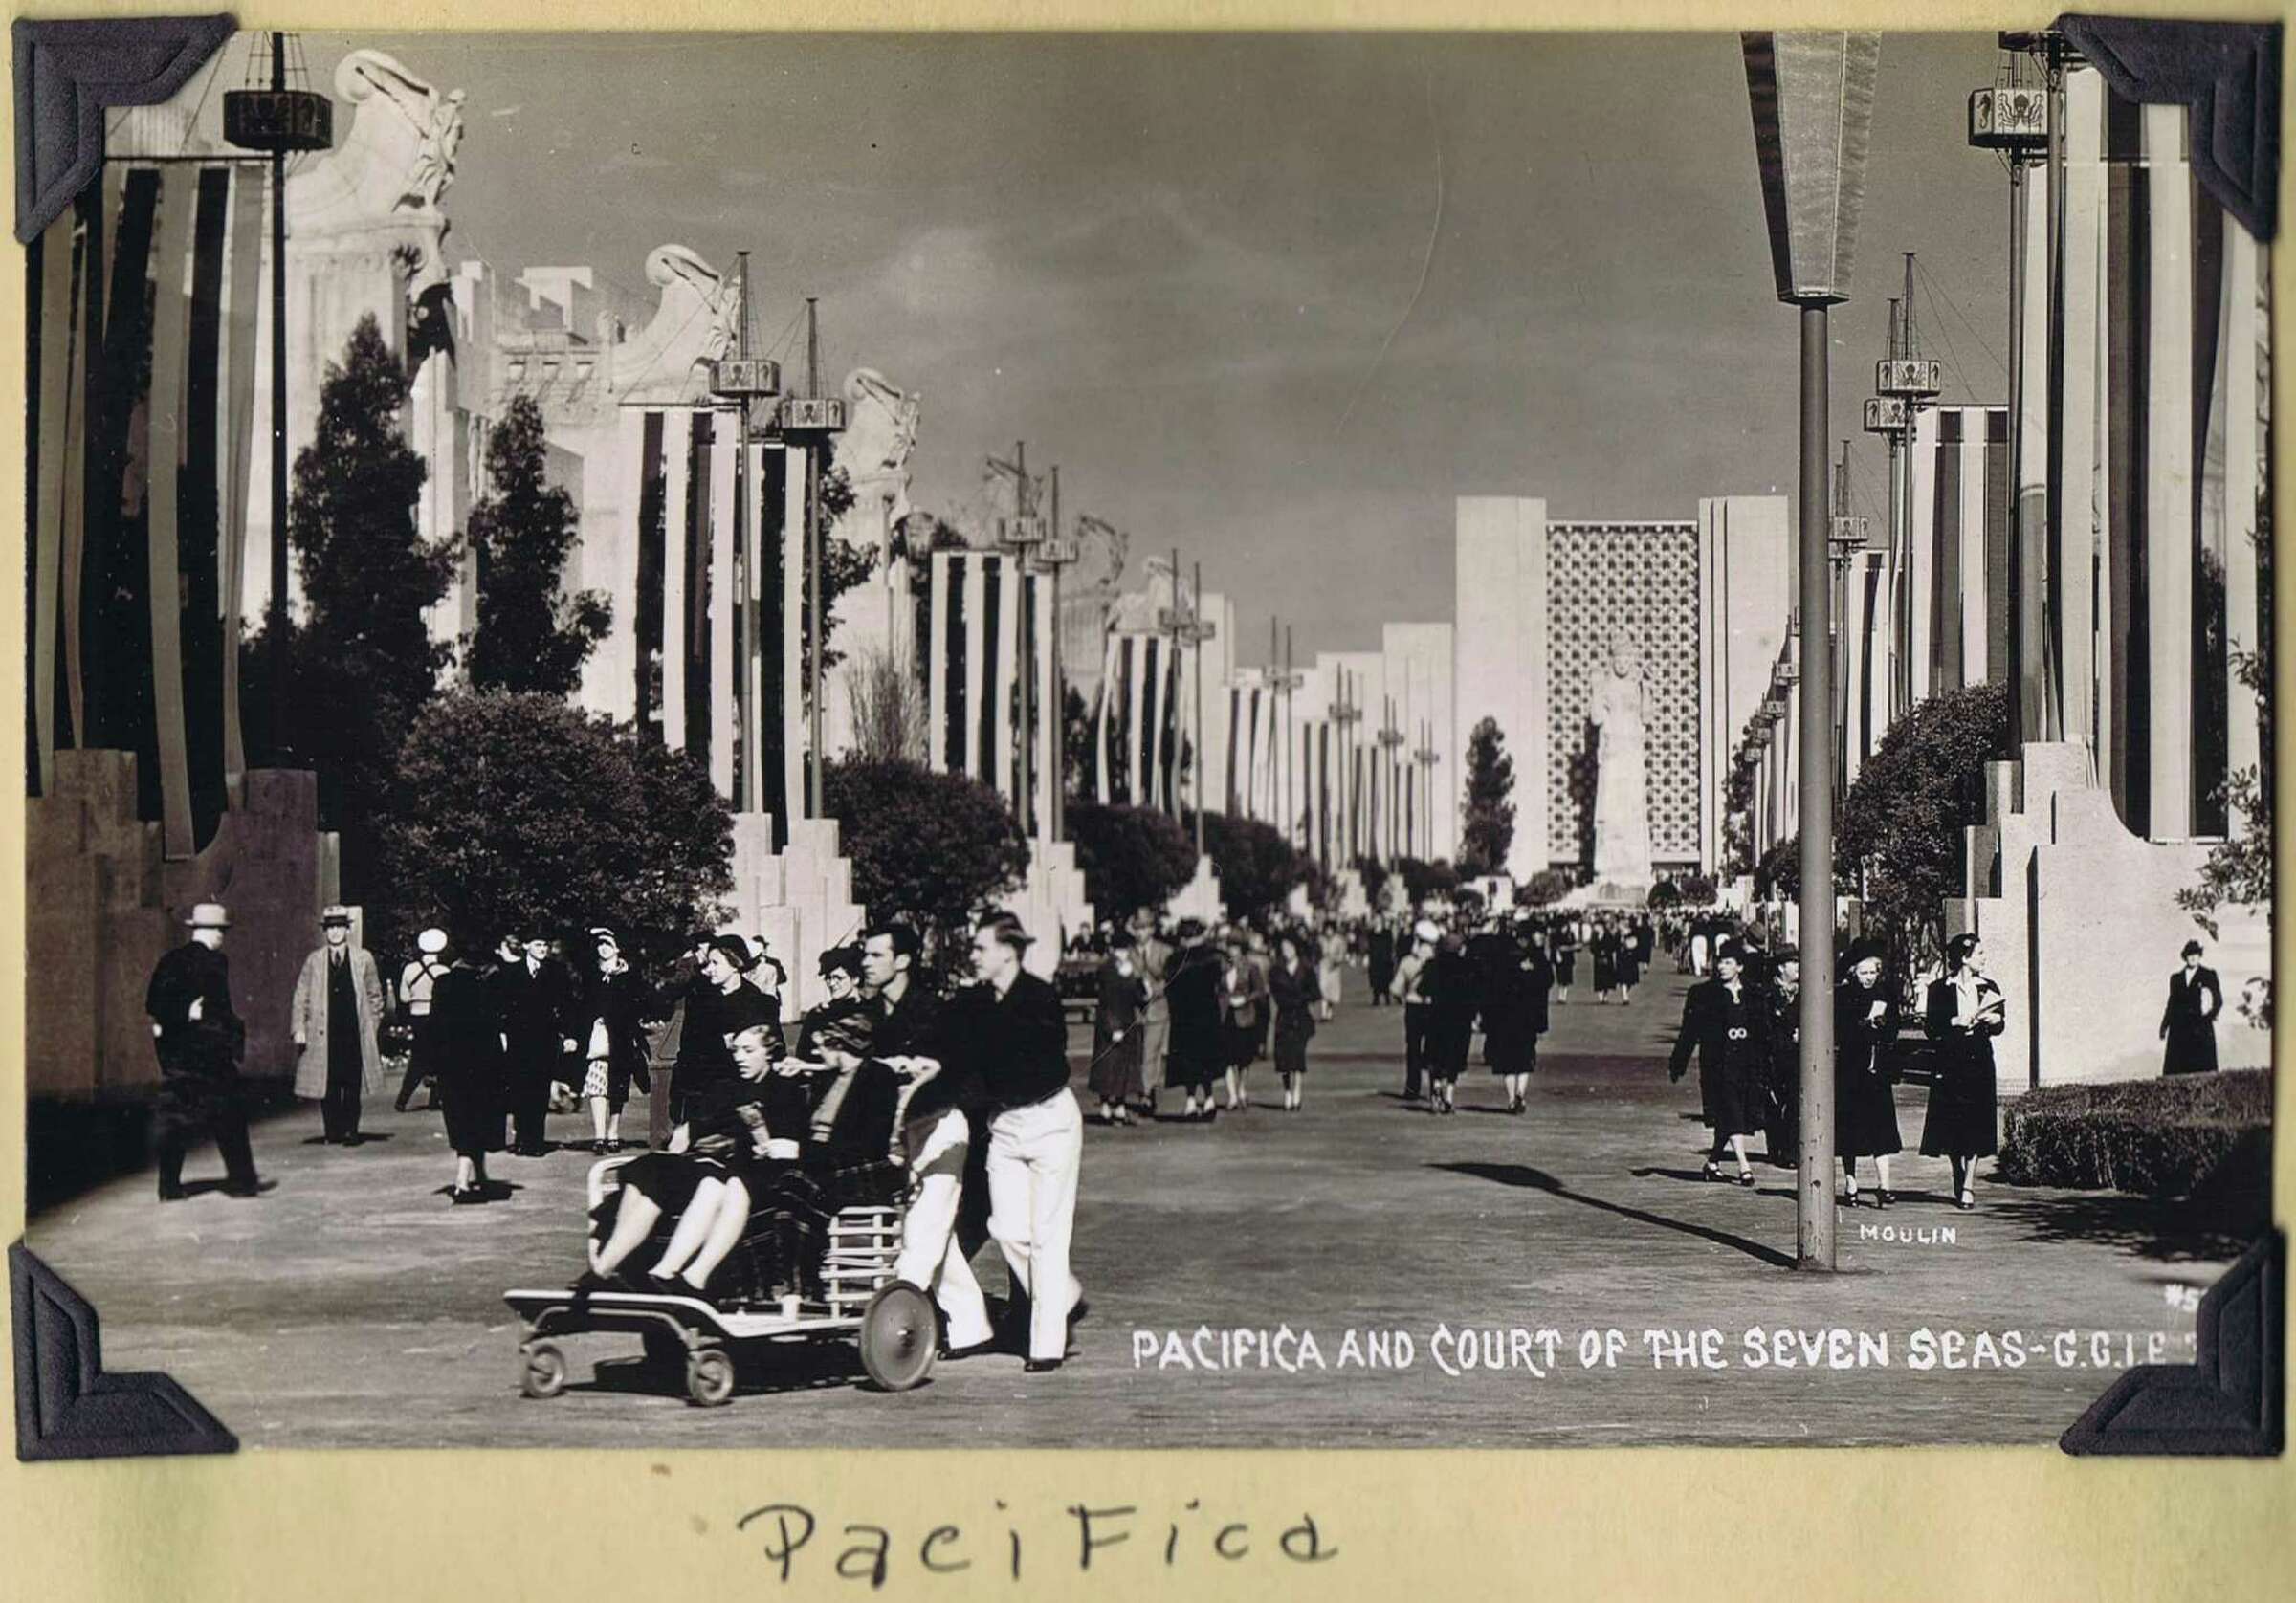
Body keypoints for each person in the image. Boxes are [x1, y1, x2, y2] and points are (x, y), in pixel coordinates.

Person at [946, 915, 1085, 1372]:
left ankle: (1046, 1345)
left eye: (982, 947)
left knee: (1049, 1233)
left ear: (1008, 950)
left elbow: (1037, 1065)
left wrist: (982, 1075)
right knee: (1006, 1227)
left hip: (1050, 1121)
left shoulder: (1040, 997)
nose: (975, 955)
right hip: (1004, 1124)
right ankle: (1061, 1294)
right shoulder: (975, 1002)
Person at [864, 921, 996, 1360]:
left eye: (876, 955)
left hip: (943, 1130)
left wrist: (921, 1068)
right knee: (937, 1235)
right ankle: (972, 1325)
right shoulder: (877, 1013)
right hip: (908, 1132)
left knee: (923, 1230)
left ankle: (892, 1323)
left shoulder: (931, 1010)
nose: (866, 962)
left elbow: (958, 1070)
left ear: (902, 961)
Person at [145, 902, 266, 1200]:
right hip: (209, 1055)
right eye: (220, 931)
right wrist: (221, 1033)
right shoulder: (215, 962)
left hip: (178, 1057)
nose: (222, 937)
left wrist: (179, 1016)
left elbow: (154, 1005)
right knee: (229, 1117)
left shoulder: (170, 960)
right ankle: (242, 1182)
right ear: (209, 931)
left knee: (176, 1121)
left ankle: (169, 1187)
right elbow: (219, 1011)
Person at [1667, 939, 1768, 1185]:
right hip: (1717, 1064)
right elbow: (1689, 1031)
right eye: (1720, 962)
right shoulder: (1703, 994)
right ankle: (1744, 1166)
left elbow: (1764, 1031)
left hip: (1747, 1063)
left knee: (1733, 1113)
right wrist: (1678, 1061)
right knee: (1731, 1109)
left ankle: (1712, 1162)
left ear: (1740, 967)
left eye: (1728, 963)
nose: (1722, 967)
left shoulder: (1754, 993)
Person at [290, 906, 387, 1146]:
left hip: (354, 1031)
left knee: (352, 1084)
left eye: (339, 927)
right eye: (330, 928)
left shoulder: (363, 958)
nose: (334, 932)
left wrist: (371, 1026)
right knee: (329, 1084)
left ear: (347, 929)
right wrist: (299, 1027)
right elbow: (300, 995)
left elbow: (375, 995)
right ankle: (332, 1131)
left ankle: (351, 1131)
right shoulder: (314, 960)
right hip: (324, 1033)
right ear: (325, 931)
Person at [1922, 933, 2003, 1211]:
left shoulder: (1988, 986)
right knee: (1952, 1124)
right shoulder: (1939, 989)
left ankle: (1968, 1183)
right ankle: (1957, 1169)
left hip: (1979, 1062)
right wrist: (1954, 1021)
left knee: (1976, 1123)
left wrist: (1995, 1019)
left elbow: (1999, 1024)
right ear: (1964, 958)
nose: (1984, 958)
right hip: (1950, 1063)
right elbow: (1931, 1028)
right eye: (1979, 953)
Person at [670, 935, 784, 1127]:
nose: (709, 969)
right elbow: (688, 1050)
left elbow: (774, 1051)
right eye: (708, 963)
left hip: (743, 1100)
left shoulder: (758, 1002)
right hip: (702, 1099)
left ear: (735, 964)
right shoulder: (699, 999)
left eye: (716, 963)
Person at [427, 936, 508, 1203]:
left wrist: (431, 1066)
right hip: (487, 1063)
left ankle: (472, 1176)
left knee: (462, 1120)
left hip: (453, 1064)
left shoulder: (444, 983)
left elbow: (434, 1028)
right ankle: (468, 1178)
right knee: (480, 1120)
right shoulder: (494, 982)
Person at [1834, 940, 1903, 1208]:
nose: (1870, 978)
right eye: (1864, 973)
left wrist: (1884, 1026)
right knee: (1849, 1131)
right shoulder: (1843, 995)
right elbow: (1840, 1029)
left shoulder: (1885, 992)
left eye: (1873, 972)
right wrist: (1863, 1024)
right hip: (1850, 1071)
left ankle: (1884, 1185)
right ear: (1853, 973)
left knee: (1881, 1129)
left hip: (1877, 1071)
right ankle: (1851, 1183)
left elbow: (1894, 1027)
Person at [497, 932, 579, 1155]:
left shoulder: (556, 971)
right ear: (526, 946)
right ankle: (521, 1137)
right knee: (520, 1087)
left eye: (545, 944)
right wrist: (502, 1034)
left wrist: (570, 1035)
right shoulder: (512, 972)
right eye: (538, 944)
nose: (543, 949)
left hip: (545, 1038)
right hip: (518, 1039)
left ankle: (535, 1142)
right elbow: (502, 1007)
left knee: (540, 1088)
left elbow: (567, 1004)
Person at [577, 928, 653, 1156]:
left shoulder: (630, 974)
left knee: (618, 1087)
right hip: (598, 1037)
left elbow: (641, 1002)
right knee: (597, 1086)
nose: (603, 948)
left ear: (618, 948)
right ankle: (600, 1136)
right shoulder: (592, 973)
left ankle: (613, 1132)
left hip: (622, 1037)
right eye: (600, 944)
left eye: (608, 944)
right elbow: (585, 1002)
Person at [1482, 918, 1553, 1114]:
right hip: (1528, 1017)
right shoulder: (1538, 958)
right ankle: (1521, 1093)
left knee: (1507, 1061)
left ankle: (1512, 1098)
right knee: (1525, 1057)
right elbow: (1547, 981)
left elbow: (1493, 986)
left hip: (1505, 1016)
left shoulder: (1502, 955)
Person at [1163, 920, 1225, 1122]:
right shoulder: (1211, 958)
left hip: (1184, 1018)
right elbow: (1218, 983)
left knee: (1187, 1060)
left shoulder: (1174, 960)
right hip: (1207, 1016)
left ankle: (1190, 1101)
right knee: (1206, 1060)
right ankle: (1209, 1100)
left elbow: (1169, 988)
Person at [1089, 933, 1149, 1125]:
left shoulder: (1130, 970)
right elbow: (1105, 1001)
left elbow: (1138, 999)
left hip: (1127, 1020)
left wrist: (1144, 989)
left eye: (1126, 950)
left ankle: (1121, 1105)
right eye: (1121, 950)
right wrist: (1112, 1027)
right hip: (1109, 1022)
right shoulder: (1106, 969)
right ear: (1113, 950)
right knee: (1108, 1065)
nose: (1124, 954)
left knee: (1124, 1065)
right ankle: (1106, 1105)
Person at [393, 927, 452, 1111]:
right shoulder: (444, 970)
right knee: (440, 1058)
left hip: (417, 1016)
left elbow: (403, 997)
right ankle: (436, 1099)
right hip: (437, 1016)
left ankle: (402, 1099)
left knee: (418, 1058)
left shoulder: (410, 969)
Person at [1269, 933, 1321, 1110]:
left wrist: (1302, 998)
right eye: (1283, 948)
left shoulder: (1306, 968)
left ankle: (1297, 1089)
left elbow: (1315, 993)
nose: (1286, 951)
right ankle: (1287, 1092)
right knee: (1283, 1058)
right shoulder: (1276, 970)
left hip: (1300, 1017)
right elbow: (1275, 993)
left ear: (1295, 948)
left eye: (1289, 948)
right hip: (1284, 1017)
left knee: (1298, 1055)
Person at [1761, 947, 1801, 1168]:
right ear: (1781, 967)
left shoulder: (1804, 992)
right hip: (1774, 1055)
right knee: (1775, 1101)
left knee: (1795, 1102)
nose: (1798, 967)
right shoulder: (1768, 994)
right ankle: (1775, 1147)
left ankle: (1791, 1152)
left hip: (1796, 1055)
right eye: (1793, 963)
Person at [2160, 939, 2223, 1075]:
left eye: (2196, 954)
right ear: (2185, 957)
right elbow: (2171, 1003)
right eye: (2189, 954)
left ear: (2200, 956)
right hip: (2179, 1029)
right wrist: (2164, 1026)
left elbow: (2218, 1001)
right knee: (2177, 1071)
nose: (2193, 957)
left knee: (2202, 1070)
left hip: (2200, 1029)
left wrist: (2207, 1019)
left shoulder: (2208, 975)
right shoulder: (2175, 978)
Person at [1395, 920, 1440, 1104]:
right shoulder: (1438, 962)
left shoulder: (1407, 962)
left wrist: (1404, 996)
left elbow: (1396, 989)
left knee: (1413, 1047)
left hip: (1413, 1007)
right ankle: (1434, 1087)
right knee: (1433, 1047)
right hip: (1433, 1007)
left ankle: (1412, 1087)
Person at [1135, 915, 1173, 1118]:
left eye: (1143, 928)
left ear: (1151, 929)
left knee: (1150, 1054)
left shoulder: (1164, 951)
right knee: (1141, 1054)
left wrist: (1154, 991)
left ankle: (1147, 1094)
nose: (1139, 933)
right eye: (1137, 929)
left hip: (1158, 1008)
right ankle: (1146, 1090)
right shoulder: (1131, 952)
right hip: (1136, 1012)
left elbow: (1170, 979)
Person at [1315, 926, 1344, 1022]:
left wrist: (1337, 961)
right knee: (1323, 989)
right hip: (1323, 965)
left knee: (1332, 991)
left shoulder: (1339, 940)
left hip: (1334, 968)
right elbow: (1316, 951)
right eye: (1327, 930)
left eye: (1330, 930)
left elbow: (1342, 953)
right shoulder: (1321, 940)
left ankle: (1329, 1012)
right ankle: (1323, 1013)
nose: (1328, 932)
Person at [1367, 919, 1398, 1007]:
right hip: (1375, 961)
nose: (1376, 923)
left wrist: (1390, 956)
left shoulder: (1387, 933)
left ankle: (1387, 998)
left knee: (1386, 980)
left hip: (1385, 960)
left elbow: (1390, 945)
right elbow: (1370, 946)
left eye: (1378, 922)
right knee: (1375, 980)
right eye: (1375, 922)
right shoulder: (1371, 934)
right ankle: (1376, 998)